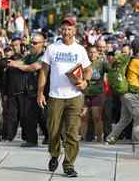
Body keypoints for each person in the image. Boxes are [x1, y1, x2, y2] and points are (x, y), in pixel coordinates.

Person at [37, 16, 92, 177]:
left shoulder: (80, 49)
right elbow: (44, 71)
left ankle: (69, 164)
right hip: (55, 96)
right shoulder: (52, 48)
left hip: (74, 97)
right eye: (64, 29)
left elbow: (88, 70)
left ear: (74, 31)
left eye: (70, 29)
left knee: (73, 133)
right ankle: (54, 154)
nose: (67, 32)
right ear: (60, 30)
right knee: (53, 130)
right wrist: (40, 92)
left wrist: (85, 82)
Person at [7, 33, 48, 147]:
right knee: (28, 116)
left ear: (42, 44)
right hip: (30, 90)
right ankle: (31, 140)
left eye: (35, 43)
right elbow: (23, 62)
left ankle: (49, 136)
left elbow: (33, 67)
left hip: (42, 90)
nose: (32, 45)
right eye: (31, 43)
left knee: (44, 117)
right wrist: (10, 62)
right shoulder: (30, 56)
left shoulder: (44, 56)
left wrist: (15, 65)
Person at [107, 37, 139, 145]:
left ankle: (111, 137)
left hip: (125, 94)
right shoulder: (137, 62)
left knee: (125, 118)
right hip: (131, 94)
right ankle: (137, 141)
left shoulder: (130, 59)